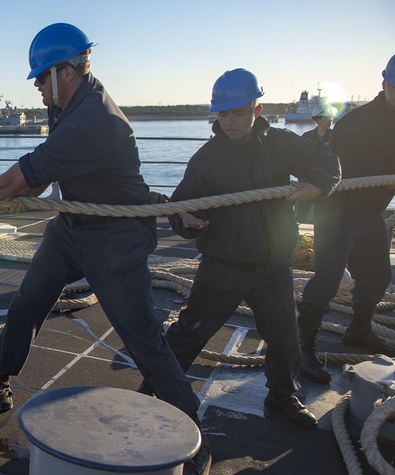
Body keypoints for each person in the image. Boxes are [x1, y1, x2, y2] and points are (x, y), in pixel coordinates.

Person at [0, 23, 207, 475]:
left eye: (39, 75)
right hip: (71, 228)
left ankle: (196, 440)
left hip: (114, 238)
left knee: (142, 337)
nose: (34, 85)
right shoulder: (66, 103)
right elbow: (37, 178)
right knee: (27, 305)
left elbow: (15, 179)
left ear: (65, 71)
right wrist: (27, 190)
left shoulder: (93, 120)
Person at [153, 69, 340, 430]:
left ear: (257, 110)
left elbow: (326, 160)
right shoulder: (206, 159)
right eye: (223, 114)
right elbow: (181, 205)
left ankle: (282, 396)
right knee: (191, 330)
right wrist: (187, 220)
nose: (230, 122)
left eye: (238, 113)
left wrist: (317, 186)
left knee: (285, 336)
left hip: (274, 264)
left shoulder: (283, 144)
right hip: (225, 264)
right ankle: (156, 388)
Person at [298, 53, 395, 368]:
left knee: (378, 275)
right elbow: (330, 172)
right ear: (385, 84)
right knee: (326, 280)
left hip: (371, 211)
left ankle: (359, 330)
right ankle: (303, 346)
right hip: (339, 210)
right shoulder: (355, 124)